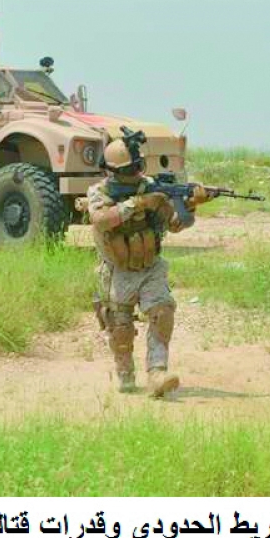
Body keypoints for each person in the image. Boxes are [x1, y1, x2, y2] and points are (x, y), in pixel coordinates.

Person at [86, 133, 204, 398]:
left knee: (162, 312)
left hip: (150, 267)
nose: (136, 174)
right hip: (117, 271)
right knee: (121, 330)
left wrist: (190, 206)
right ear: (114, 171)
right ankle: (125, 375)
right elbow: (101, 219)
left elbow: (175, 225)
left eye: (138, 167)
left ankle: (157, 373)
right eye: (130, 170)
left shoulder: (152, 188)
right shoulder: (99, 192)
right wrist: (137, 204)